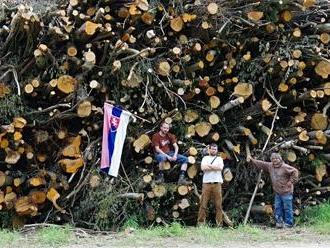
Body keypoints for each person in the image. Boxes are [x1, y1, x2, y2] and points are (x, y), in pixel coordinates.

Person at [248, 153, 299, 228]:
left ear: (280, 159)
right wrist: (252, 160)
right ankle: (279, 222)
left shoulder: (285, 167)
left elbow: (295, 171)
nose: (275, 160)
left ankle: (289, 223)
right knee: (278, 208)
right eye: (273, 159)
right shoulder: (270, 166)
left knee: (287, 208)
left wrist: (290, 182)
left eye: (276, 158)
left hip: (286, 192)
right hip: (278, 192)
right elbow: (261, 164)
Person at [197, 143, 224, 227]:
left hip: (217, 183)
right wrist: (214, 167)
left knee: (218, 205)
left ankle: (219, 224)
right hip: (206, 183)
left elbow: (220, 168)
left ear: (217, 150)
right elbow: (203, 168)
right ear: (209, 150)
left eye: (215, 149)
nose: (213, 150)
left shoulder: (219, 158)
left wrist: (210, 166)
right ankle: (201, 223)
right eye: (212, 149)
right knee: (203, 204)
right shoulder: (205, 158)